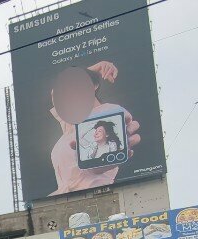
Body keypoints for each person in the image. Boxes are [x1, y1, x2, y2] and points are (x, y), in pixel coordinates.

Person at [47, 62, 141, 196]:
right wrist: (96, 68)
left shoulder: (110, 111)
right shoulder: (69, 121)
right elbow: (55, 93)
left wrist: (89, 74)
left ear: (94, 85)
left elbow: (103, 158)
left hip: (94, 195)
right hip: (64, 199)